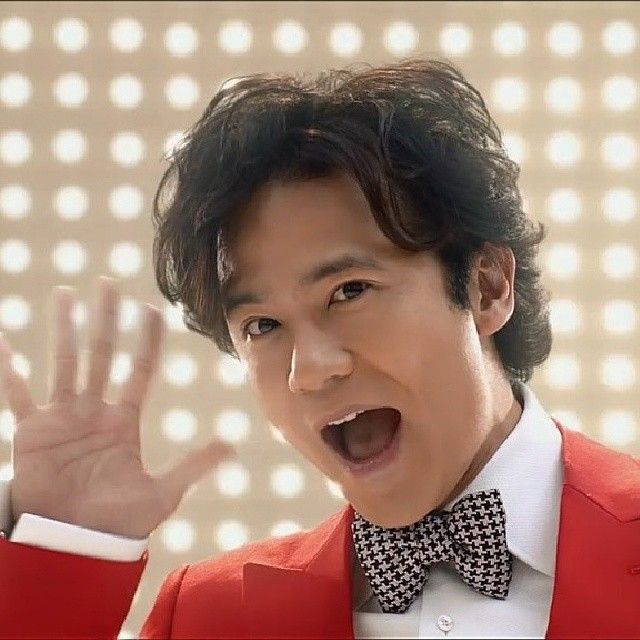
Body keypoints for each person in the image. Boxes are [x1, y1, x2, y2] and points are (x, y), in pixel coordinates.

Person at [0, 57, 638, 639]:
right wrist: (64, 560)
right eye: (262, 326)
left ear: (487, 287)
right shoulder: (209, 617)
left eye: (348, 291)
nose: (308, 371)